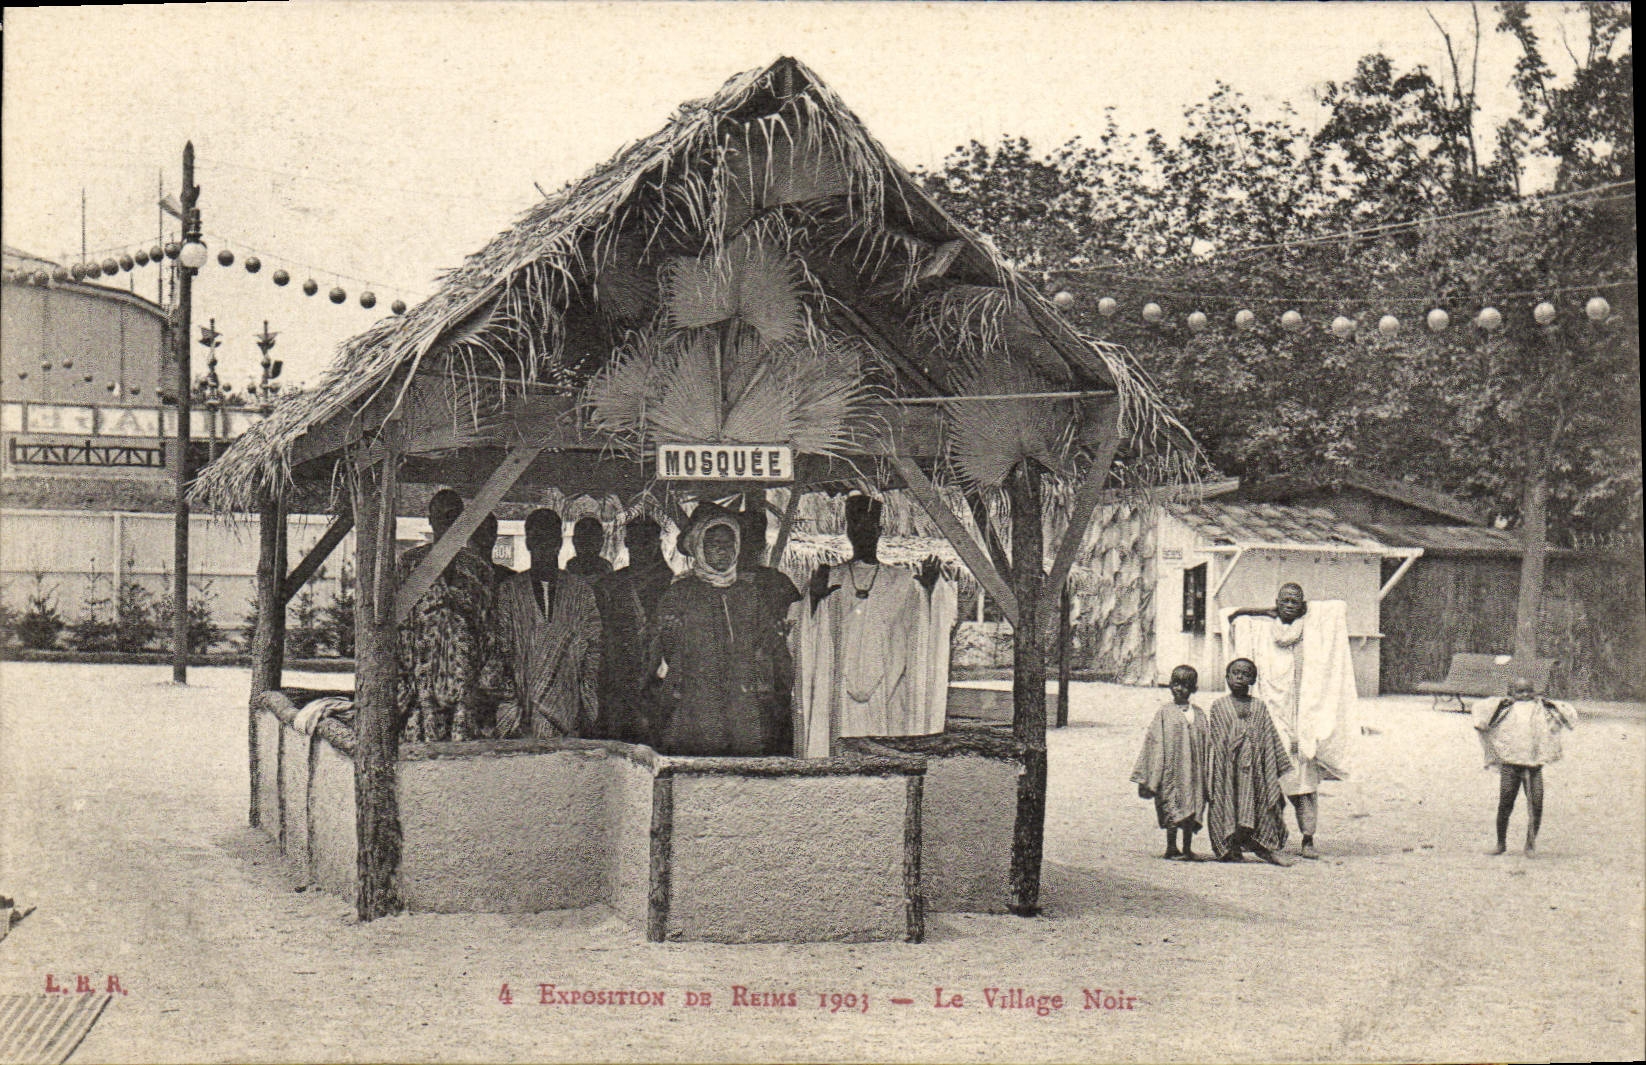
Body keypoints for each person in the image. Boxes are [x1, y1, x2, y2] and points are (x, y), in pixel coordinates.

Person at [650, 503, 793, 757]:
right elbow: (659, 652)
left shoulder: (750, 595)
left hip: (743, 706)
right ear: (699, 547)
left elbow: (769, 646)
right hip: (696, 705)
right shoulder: (680, 593)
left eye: (728, 543)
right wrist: (670, 641)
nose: (722, 549)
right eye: (714, 543)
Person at [795, 495, 934, 756]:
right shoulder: (831, 577)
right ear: (847, 529)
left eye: (869, 526)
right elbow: (806, 633)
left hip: (887, 693)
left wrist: (931, 592)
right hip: (837, 691)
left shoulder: (903, 582)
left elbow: (923, 635)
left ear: (879, 530)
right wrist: (813, 600)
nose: (862, 532)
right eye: (855, 525)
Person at [1226, 582, 1357, 860]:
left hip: (1303, 717)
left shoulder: (1312, 628)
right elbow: (1232, 617)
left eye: (1295, 601)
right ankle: (1270, 836)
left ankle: (1308, 839)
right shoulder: (1263, 629)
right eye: (1284, 600)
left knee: (1304, 783)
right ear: (1276, 602)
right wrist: (1267, 612)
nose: (1289, 604)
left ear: (1303, 604)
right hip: (1273, 716)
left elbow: (1338, 608)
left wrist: (1307, 611)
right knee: (1269, 780)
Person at [395, 489, 497, 742]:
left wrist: (482, 686)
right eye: (439, 515)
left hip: (466, 684)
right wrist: (404, 681)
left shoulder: (478, 568)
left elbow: (488, 632)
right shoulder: (410, 564)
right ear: (429, 519)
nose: (446, 521)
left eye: (453, 516)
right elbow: (398, 627)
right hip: (421, 684)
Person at [493, 508, 602, 739]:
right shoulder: (510, 592)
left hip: (568, 713)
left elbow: (593, 650)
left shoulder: (580, 592)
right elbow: (502, 652)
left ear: (560, 543)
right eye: (536, 538)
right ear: (528, 542)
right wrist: (511, 708)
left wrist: (586, 704)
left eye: (549, 538)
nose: (543, 545)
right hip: (523, 717)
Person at [591, 516, 676, 745]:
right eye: (637, 541)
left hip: (657, 684)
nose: (642, 547)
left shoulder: (672, 585)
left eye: (648, 542)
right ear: (627, 542)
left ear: (657, 544)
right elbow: (599, 639)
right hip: (617, 683)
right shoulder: (610, 585)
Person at [1472, 676, 1578, 857]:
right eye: (1519, 691)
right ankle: (1500, 842)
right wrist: (1502, 702)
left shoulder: (1542, 708)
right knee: (1505, 803)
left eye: (1529, 691)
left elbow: (1567, 715)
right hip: (1511, 765)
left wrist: (1549, 704)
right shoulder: (1505, 708)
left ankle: (1530, 844)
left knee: (1536, 804)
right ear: (1511, 693)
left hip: (1533, 766)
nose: (1525, 695)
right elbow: (1481, 716)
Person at [1203, 658, 1294, 866]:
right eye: (1235, 673)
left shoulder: (1259, 707)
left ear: (1253, 679)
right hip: (1228, 770)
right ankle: (1230, 848)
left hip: (1256, 770)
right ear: (1226, 677)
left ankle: (1266, 847)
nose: (1240, 677)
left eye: (1245, 674)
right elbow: (1217, 742)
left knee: (1261, 803)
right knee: (1228, 802)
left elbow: (1269, 738)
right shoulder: (1219, 706)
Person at [1131, 665, 1206, 860]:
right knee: (1171, 806)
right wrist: (1149, 774)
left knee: (1191, 807)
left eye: (1185, 685)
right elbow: (1153, 741)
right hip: (1170, 770)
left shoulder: (1199, 714)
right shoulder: (1164, 712)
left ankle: (1188, 848)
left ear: (1194, 689)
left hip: (1193, 772)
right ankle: (1171, 847)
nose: (1179, 689)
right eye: (1176, 684)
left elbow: (1207, 743)